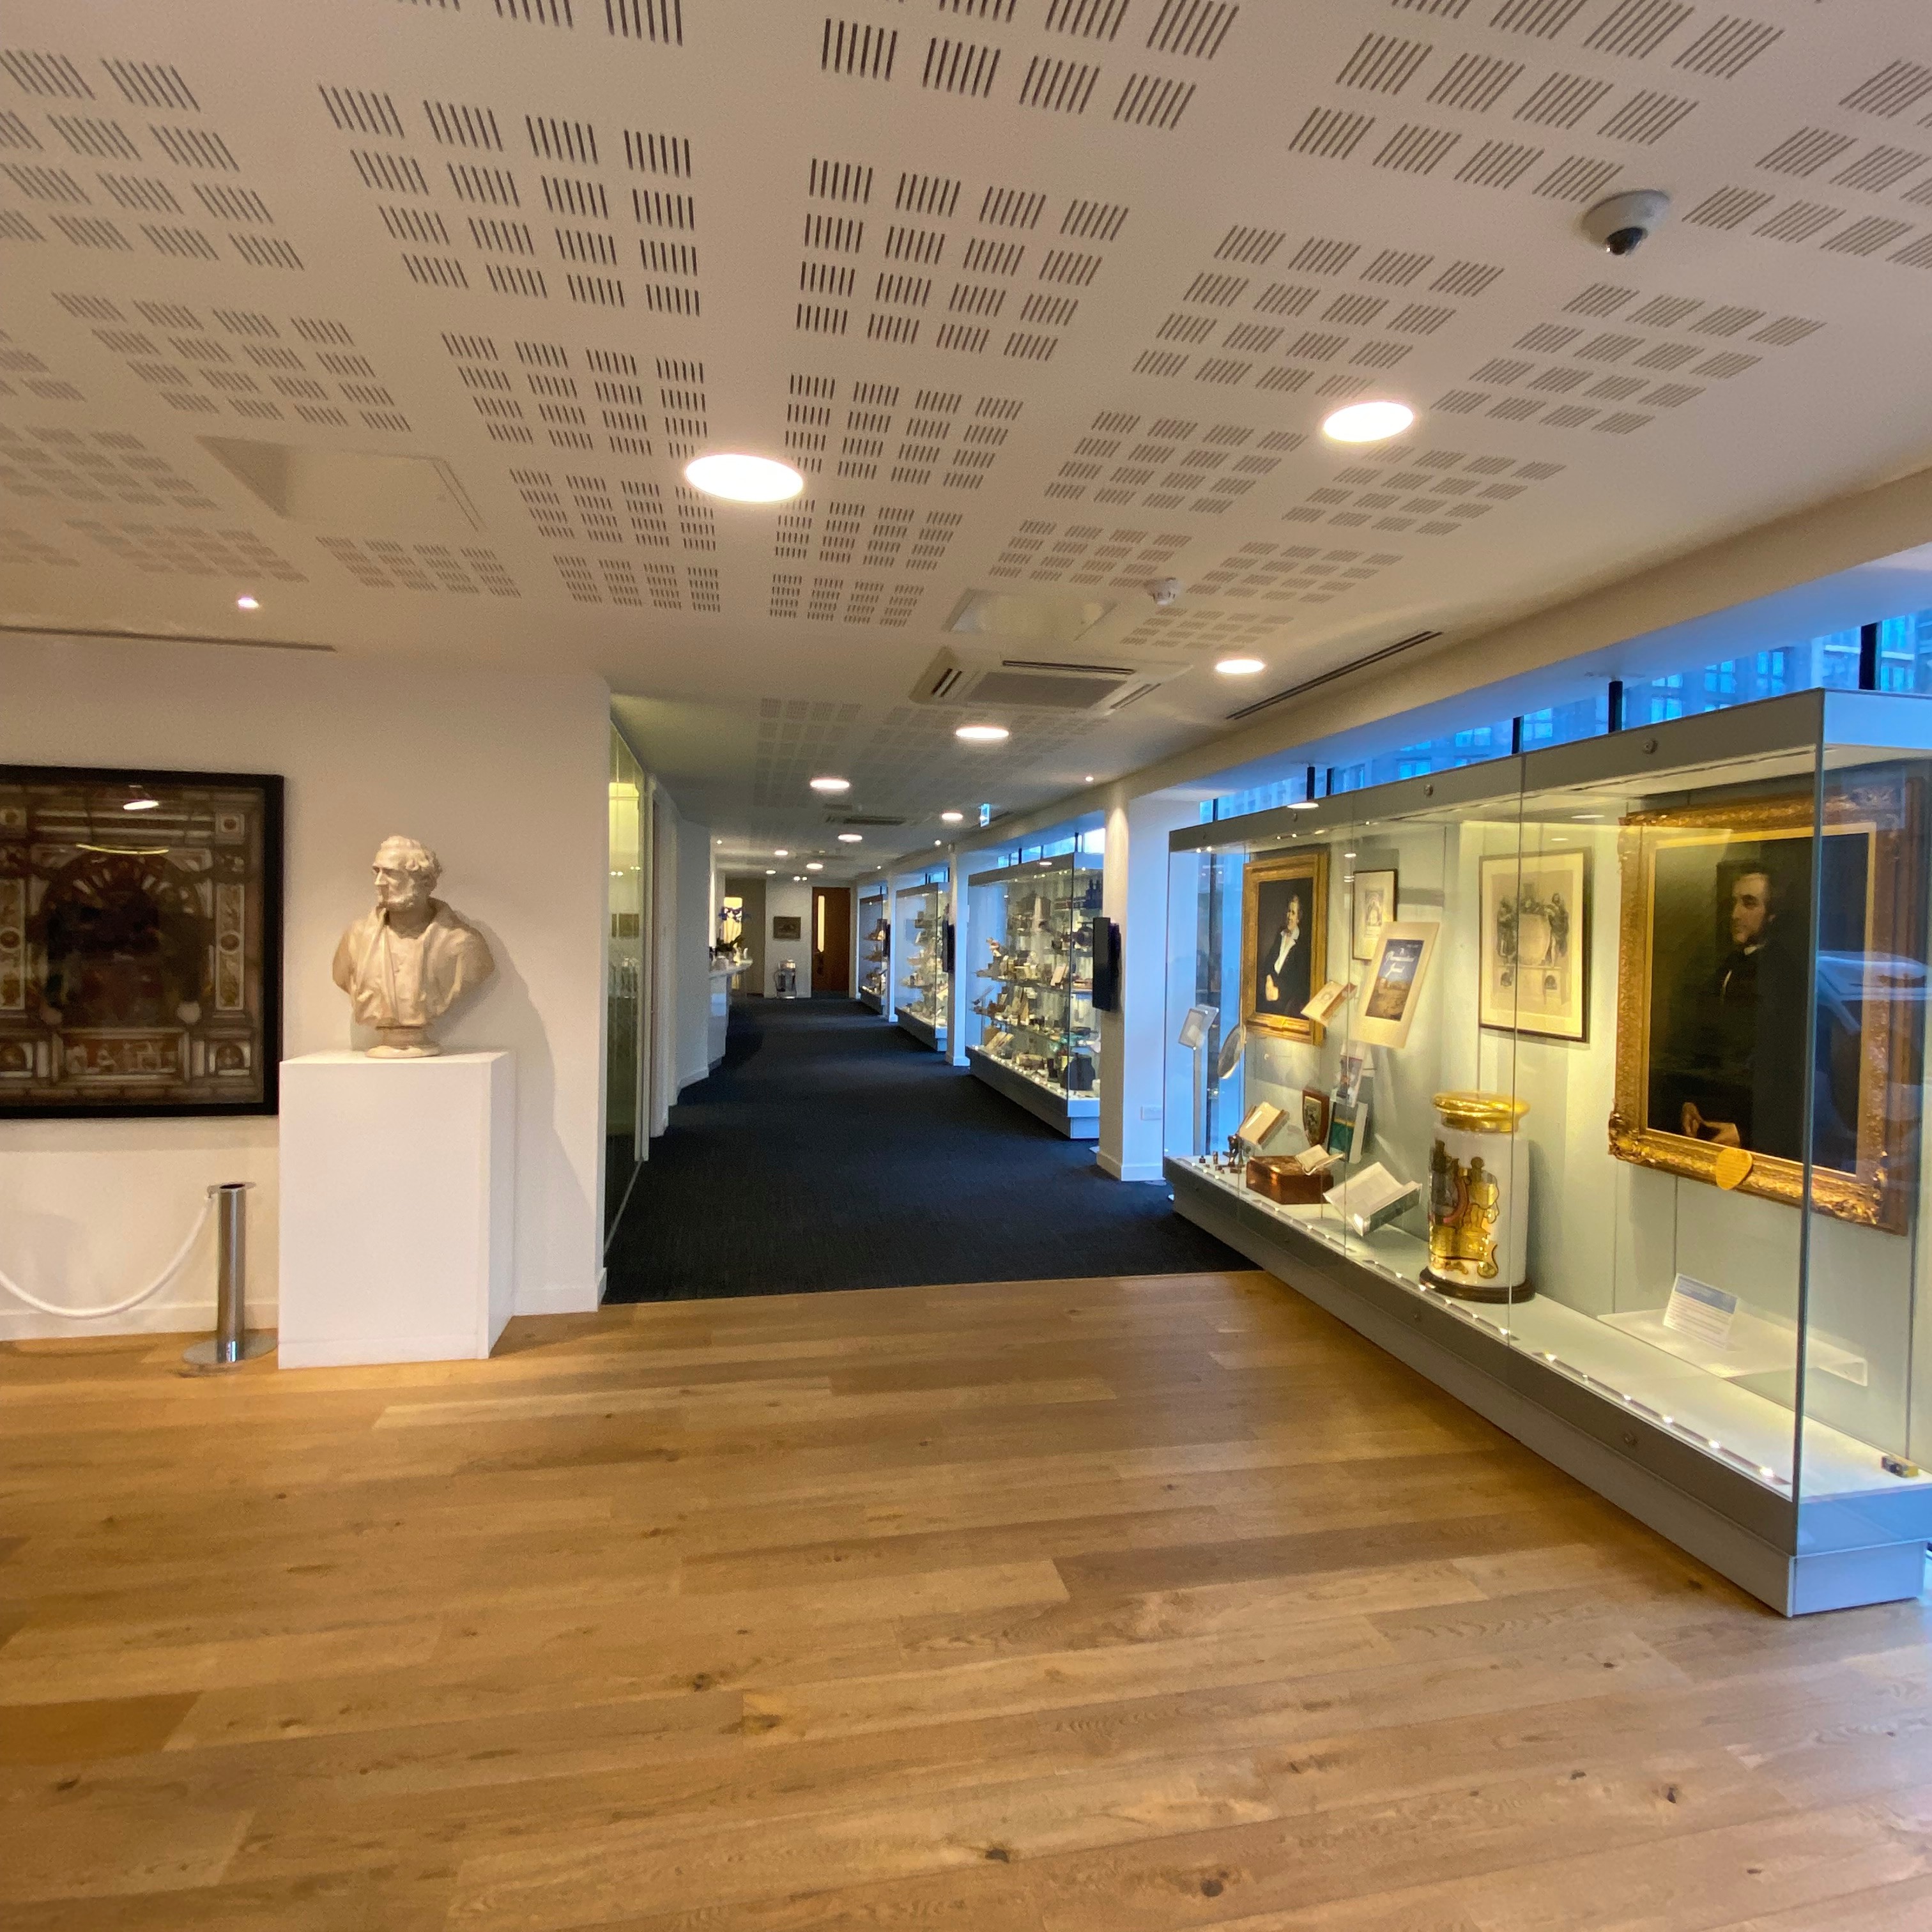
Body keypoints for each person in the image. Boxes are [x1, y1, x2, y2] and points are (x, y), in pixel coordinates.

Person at [1673, 864, 1804, 1158]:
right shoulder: (1726, 967)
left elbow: (1791, 1069)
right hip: (1712, 1121)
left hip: (1757, 1136)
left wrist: (1747, 1131)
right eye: (1733, 903)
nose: (1735, 915)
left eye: (1749, 903)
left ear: (1774, 913)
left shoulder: (1787, 976)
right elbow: (1706, 1043)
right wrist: (1691, 1101)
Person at [332, 836, 494, 1057]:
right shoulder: (356, 940)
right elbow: (342, 976)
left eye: (391, 873)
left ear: (425, 882)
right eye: (376, 872)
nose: (379, 882)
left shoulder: (462, 945)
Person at [1257, 885, 1310, 1015]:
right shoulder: (1280, 935)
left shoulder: (1302, 946)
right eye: (1288, 911)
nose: (1289, 916)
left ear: (1299, 917)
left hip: (1286, 1004)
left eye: (1293, 913)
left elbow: (1299, 982)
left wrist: (1278, 991)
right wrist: (1269, 981)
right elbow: (1268, 963)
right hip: (1269, 995)